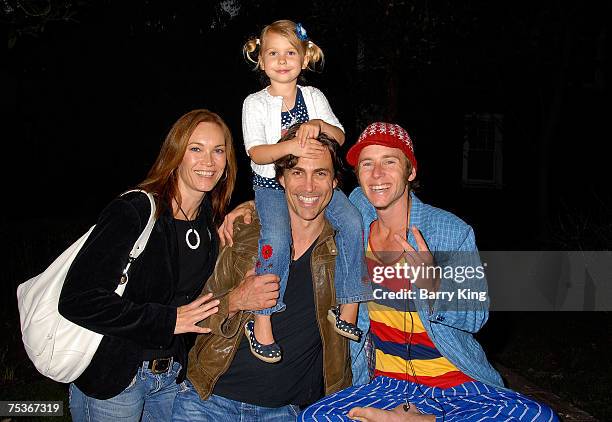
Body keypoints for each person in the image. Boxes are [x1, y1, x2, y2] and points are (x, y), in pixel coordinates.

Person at [299, 122, 559, 421]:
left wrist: (435, 285)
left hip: (454, 384)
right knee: (315, 417)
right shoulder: (355, 216)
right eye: (367, 163)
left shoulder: (449, 231)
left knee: (539, 416)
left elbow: (476, 315)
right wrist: (254, 207)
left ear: (410, 172)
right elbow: (306, 198)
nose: (377, 174)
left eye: (390, 162)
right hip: (387, 384)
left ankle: (430, 419)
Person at [58, 109, 239, 421]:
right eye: (195, 148)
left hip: (171, 378)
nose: (208, 161)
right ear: (176, 154)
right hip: (117, 378)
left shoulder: (209, 224)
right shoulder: (137, 210)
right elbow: (77, 300)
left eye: (218, 150)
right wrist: (166, 320)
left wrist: (248, 207)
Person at [171, 124, 353, 421]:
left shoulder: (347, 247)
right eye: (296, 173)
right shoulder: (243, 232)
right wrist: (236, 300)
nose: (308, 187)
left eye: (320, 173)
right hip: (208, 400)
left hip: (286, 410)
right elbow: (196, 313)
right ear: (280, 179)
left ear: (334, 182)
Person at [241, 19, 371, 362]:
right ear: (261, 60)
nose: (282, 60)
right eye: (273, 53)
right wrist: (290, 149)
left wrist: (318, 125)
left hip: (316, 181)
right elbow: (256, 153)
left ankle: (348, 307)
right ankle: (263, 319)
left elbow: (340, 137)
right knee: (277, 240)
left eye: (289, 53)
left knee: (354, 222)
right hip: (271, 184)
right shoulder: (254, 103)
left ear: (304, 58)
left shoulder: (313, 97)